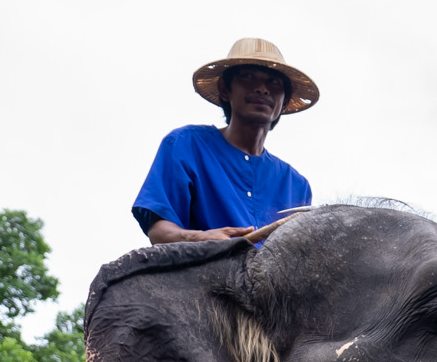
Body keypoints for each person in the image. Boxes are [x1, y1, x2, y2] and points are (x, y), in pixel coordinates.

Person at [132, 38, 318, 246]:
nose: (262, 89)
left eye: (274, 82)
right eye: (248, 77)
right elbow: (159, 232)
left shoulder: (296, 185)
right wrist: (203, 239)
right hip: (203, 266)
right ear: (224, 89)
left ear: (284, 102)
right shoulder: (186, 145)